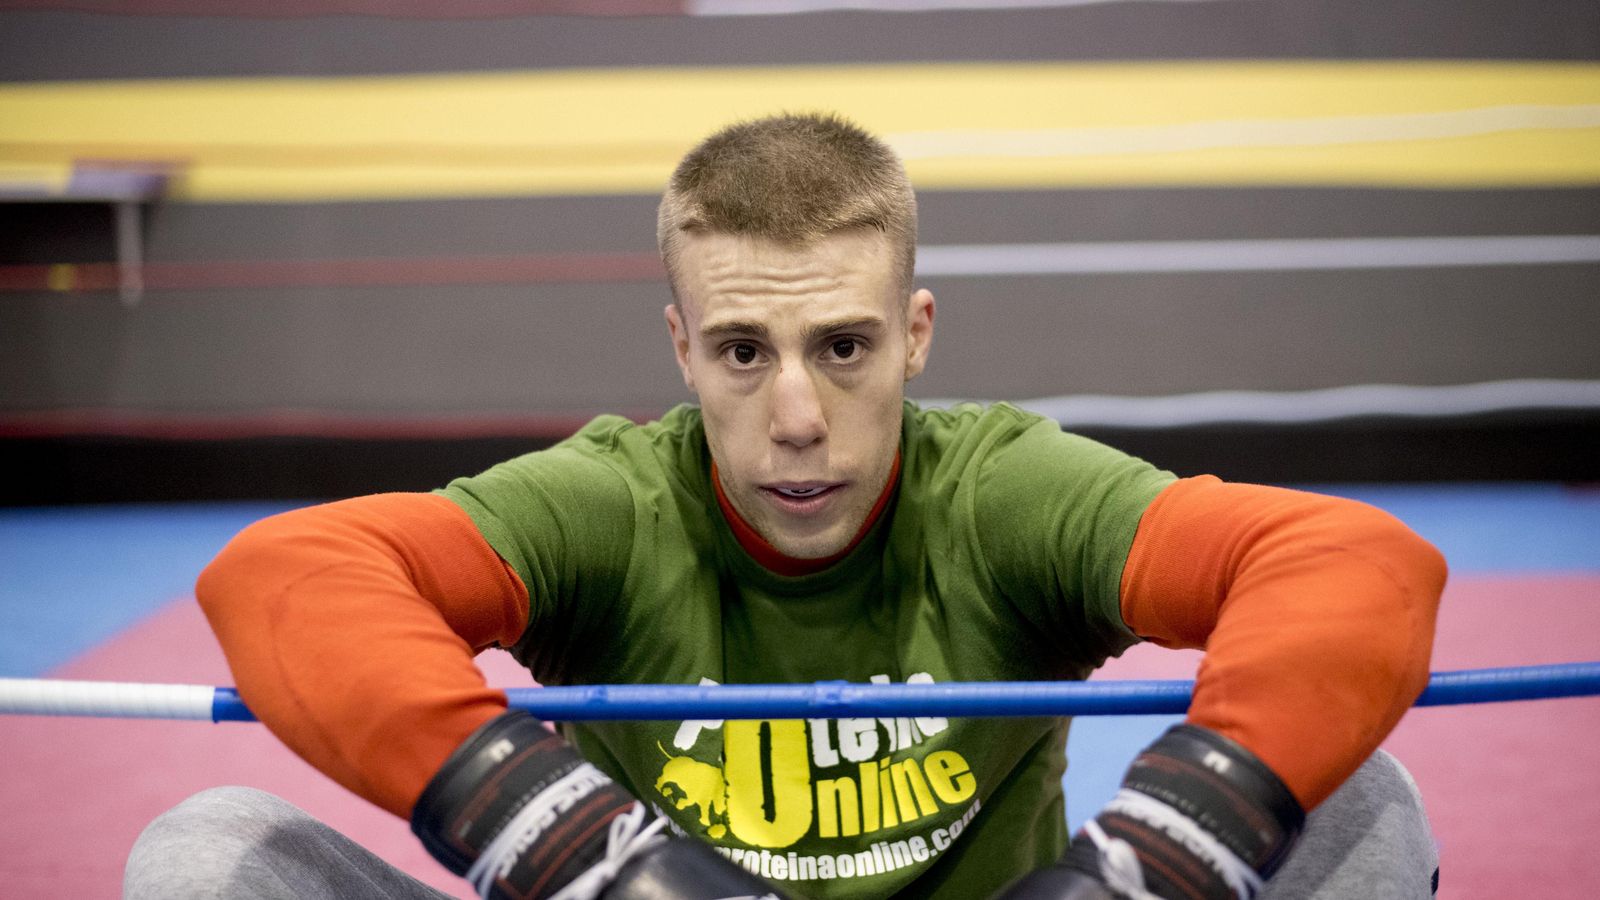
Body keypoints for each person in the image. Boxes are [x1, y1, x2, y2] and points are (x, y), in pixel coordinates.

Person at [125, 113, 1447, 900]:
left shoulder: (1000, 491)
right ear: (682, 349)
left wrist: (1158, 859)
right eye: (744, 351)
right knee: (211, 853)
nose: (799, 415)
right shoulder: (613, 505)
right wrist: (577, 852)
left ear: (916, 335)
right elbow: (286, 575)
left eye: (846, 347)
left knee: (1370, 808)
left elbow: (1353, 562)